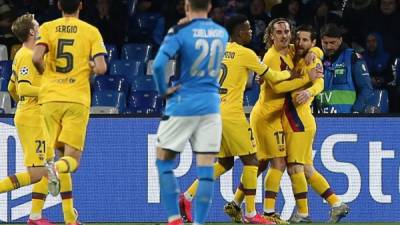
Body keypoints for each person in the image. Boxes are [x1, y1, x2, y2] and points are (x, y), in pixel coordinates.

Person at [178, 14, 292, 224]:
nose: (251, 32)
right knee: (252, 160)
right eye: (248, 29)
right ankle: (250, 213)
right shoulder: (246, 53)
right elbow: (274, 78)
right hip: (231, 114)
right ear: (239, 31)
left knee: (225, 162)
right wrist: (291, 74)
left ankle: (187, 197)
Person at [151, 1, 228, 225]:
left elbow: (158, 65)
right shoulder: (221, 33)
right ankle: (199, 223)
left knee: (164, 162)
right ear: (210, 6)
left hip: (183, 104)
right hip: (211, 106)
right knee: (205, 170)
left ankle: (175, 219)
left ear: (186, 6)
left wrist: (164, 90)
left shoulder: (179, 31)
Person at [32, 0, 107, 224]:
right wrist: (91, 68)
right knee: (70, 161)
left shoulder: (47, 27)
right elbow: (102, 68)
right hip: (76, 99)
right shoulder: (91, 31)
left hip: (50, 98)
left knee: (50, 156)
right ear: (81, 6)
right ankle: (55, 170)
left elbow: (36, 57)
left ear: (58, 6)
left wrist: (47, 74)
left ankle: (61, 216)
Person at [280, 24, 349, 223]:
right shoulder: (293, 55)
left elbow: (319, 83)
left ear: (313, 43)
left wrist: (308, 91)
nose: (301, 43)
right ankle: (337, 204)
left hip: (299, 121)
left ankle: (303, 213)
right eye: (298, 39)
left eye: (305, 40)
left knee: (295, 167)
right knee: (307, 169)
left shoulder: (313, 58)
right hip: (293, 120)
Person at [0, 13, 55, 225]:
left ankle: (35, 217)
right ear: (32, 31)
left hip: (36, 115)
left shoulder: (31, 53)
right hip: (32, 119)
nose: (40, 25)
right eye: (36, 24)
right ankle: (34, 217)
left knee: (48, 167)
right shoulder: (25, 55)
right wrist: (49, 92)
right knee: (36, 174)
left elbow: (11, 88)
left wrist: (24, 102)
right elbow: (23, 88)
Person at [316, 23, 374, 113]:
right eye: (325, 43)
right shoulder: (317, 59)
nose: (328, 47)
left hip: (346, 119)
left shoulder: (352, 58)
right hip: (320, 118)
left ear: (340, 40)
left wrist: (356, 111)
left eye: (332, 43)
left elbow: (366, 88)